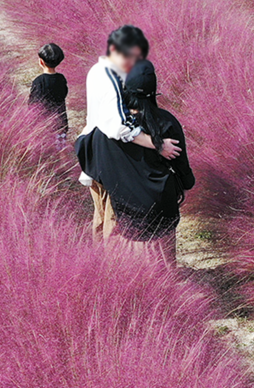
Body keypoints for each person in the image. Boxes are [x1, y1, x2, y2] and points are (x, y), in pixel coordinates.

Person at [75, 59, 193, 265]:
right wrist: (183, 184)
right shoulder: (167, 122)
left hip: (126, 213)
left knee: (133, 270)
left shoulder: (107, 130)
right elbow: (184, 173)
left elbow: (86, 155)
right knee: (164, 270)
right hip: (162, 210)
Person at [78, 25, 181, 240]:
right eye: (130, 56)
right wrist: (158, 144)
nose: (132, 63)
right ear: (114, 49)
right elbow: (118, 127)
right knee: (115, 220)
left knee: (102, 214)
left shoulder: (97, 69)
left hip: (96, 153)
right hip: (110, 158)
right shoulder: (111, 80)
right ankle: (116, 269)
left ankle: (100, 265)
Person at [28, 42, 69, 141]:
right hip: (60, 123)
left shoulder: (38, 81)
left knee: (47, 151)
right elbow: (64, 94)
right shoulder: (61, 78)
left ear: (41, 62)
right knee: (60, 150)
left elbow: (33, 104)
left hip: (44, 125)